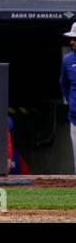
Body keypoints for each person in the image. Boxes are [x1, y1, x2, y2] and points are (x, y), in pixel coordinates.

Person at [60, 22, 76, 174]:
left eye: (75, 39)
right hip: (75, 118)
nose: (72, 42)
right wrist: (72, 103)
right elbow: (64, 84)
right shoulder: (68, 60)